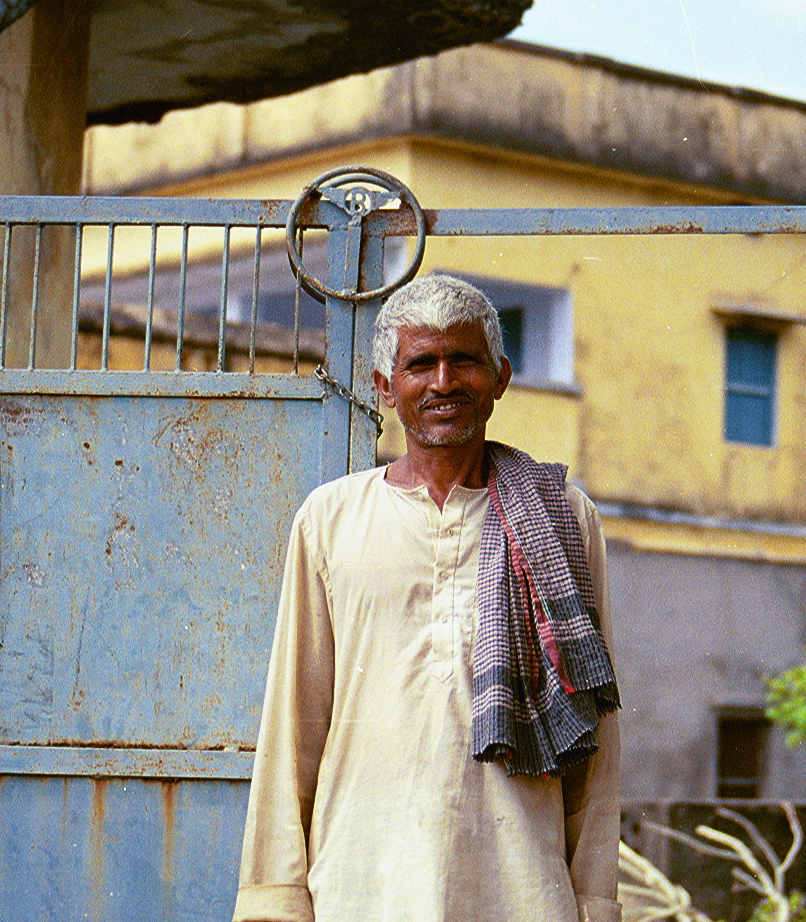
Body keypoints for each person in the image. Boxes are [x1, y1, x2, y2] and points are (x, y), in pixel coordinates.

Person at [232, 275, 622, 922]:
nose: (443, 383)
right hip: (360, 887)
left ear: (500, 376)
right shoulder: (330, 520)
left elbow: (597, 738)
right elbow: (292, 725)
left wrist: (596, 901)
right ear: (386, 387)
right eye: (421, 364)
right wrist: (275, 901)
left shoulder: (564, 520)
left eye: (463, 361)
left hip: (520, 892)